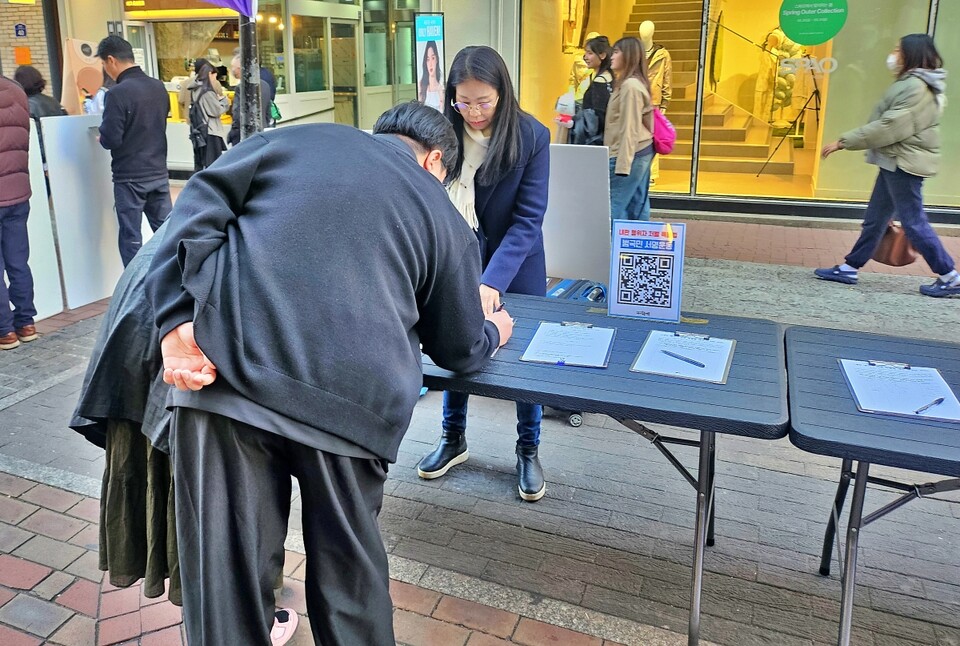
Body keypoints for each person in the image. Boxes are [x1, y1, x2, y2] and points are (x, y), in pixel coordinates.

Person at [145, 101, 513, 646]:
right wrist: (494, 329)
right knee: (350, 583)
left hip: (225, 377)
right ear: (436, 161)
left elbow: (196, 203)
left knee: (225, 583)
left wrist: (175, 316)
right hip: (349, 409)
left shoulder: (293, 142)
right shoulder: (442, 213)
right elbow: (458, 348)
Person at [69, 221, 299, 645]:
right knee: (219, 507)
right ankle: (244, 622)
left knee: (187, 503)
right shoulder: (283, 207)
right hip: (184, 367)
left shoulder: (224, 189)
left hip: (140, 348)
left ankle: (221, 618)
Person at [416, 45, 551, 502]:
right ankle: (453, 438)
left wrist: (491, 282)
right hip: (458, 257)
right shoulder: (441, 131)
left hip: (516, 263)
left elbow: (528, 221)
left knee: (524, 359)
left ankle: (528, 448)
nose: (472, 111)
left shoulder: (531, 136)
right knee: (456, 343)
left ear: (502, 93)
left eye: (483, 101)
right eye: (463, 101)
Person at [818, 34, 960, 298]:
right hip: (893, 162)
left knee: (913, 222)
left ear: (911, 54)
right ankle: (850, 267)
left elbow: (890, 126)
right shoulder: (912, 83)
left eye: (898, 49)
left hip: (904, 164)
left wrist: (844, 141)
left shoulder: (916, 87)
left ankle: (950, 276)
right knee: (876, 219)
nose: (893, 54)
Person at [96, 35, 172, 267]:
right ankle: (173, 280)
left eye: (103, 65)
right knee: (167, 233)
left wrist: (101, 136)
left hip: (129, 176)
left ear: (111, 60)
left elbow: (111, 139)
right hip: (158, 172)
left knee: (131, 238)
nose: (106, 71)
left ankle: (134, 290)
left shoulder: (117, 94)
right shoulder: (158, 87)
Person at [0, 75, 38, 351]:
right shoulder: (16, 91)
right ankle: (26, 323)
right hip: (18, 191)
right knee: (18, 261)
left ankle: (5, 331)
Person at [605, 37, 655, 221]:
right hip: (639, 152)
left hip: (628, 155)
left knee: (614, 205)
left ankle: (609, 248)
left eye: (616, 52)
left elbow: (629, 128)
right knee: (637, 206)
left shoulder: (630, 86)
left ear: (629, 56)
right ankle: (637, 248)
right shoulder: (630, 84)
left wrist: (622, 166)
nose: (612, 55)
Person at [569, 35, 613, 146]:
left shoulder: (599, 82)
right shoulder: (610, 77)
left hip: (595, 142)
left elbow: (596, 119)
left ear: (602, 55)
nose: (585, 57)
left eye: (590, 53)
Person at [188, 62, 229, 170]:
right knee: (214, 163)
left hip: (200, 129)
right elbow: (216, 111)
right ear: (210, 74)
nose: (215, 79)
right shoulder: (207, 92)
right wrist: (224, 101)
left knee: (201, 162)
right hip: (210, 130)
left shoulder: (195, 89)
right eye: (215, 76)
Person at [227, 54, 271, 146]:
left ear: (240, 68)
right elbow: (268, 112)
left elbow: (237, 113)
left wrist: (233, 132)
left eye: (233, 67)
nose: (232, 70)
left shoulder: (241, 88)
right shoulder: (265, 85)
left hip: (244, 134)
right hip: (262, 133)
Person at [177, 58, 221, 122]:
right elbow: (219, 100)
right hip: (210, 121)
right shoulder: (215, 83)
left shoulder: (186, 83)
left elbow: (181, 100)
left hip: (191, 120)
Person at [419, 40, 444, 111]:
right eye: (428, 59)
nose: (430, 64)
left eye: (433, 58)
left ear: (437, 60)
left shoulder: (441, 89)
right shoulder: (421, 86)